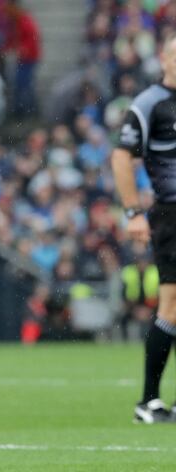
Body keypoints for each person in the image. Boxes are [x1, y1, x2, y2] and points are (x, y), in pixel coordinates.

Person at [111, 33, 176, 424]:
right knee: (172, 303)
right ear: (165, 59)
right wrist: (133, 211)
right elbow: (122, 157)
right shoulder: (150, 103)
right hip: (172, 212)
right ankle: (148, 402)